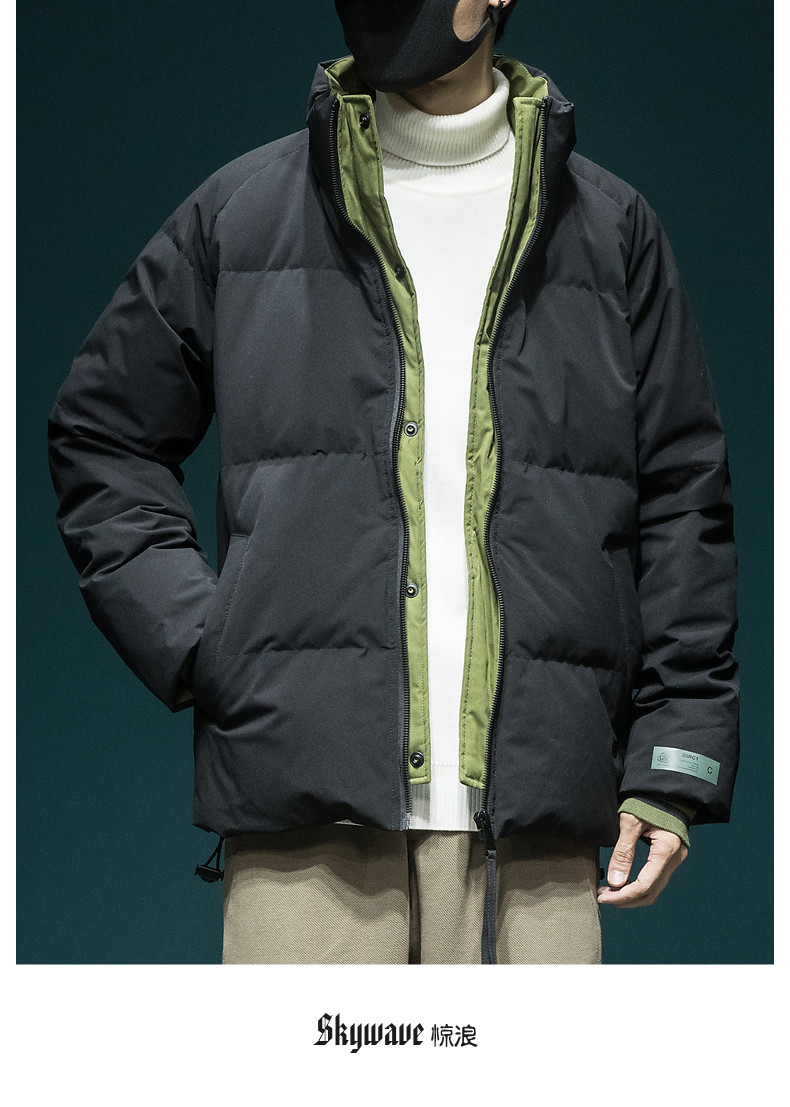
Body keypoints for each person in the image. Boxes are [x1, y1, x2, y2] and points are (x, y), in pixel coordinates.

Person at [47, 0, 739, 964]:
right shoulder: (241, 213)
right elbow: (101, 434)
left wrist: (673, 760)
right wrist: (215, 644)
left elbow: (684, 502)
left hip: (535, 832)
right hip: (305, 827)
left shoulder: (613, 231)